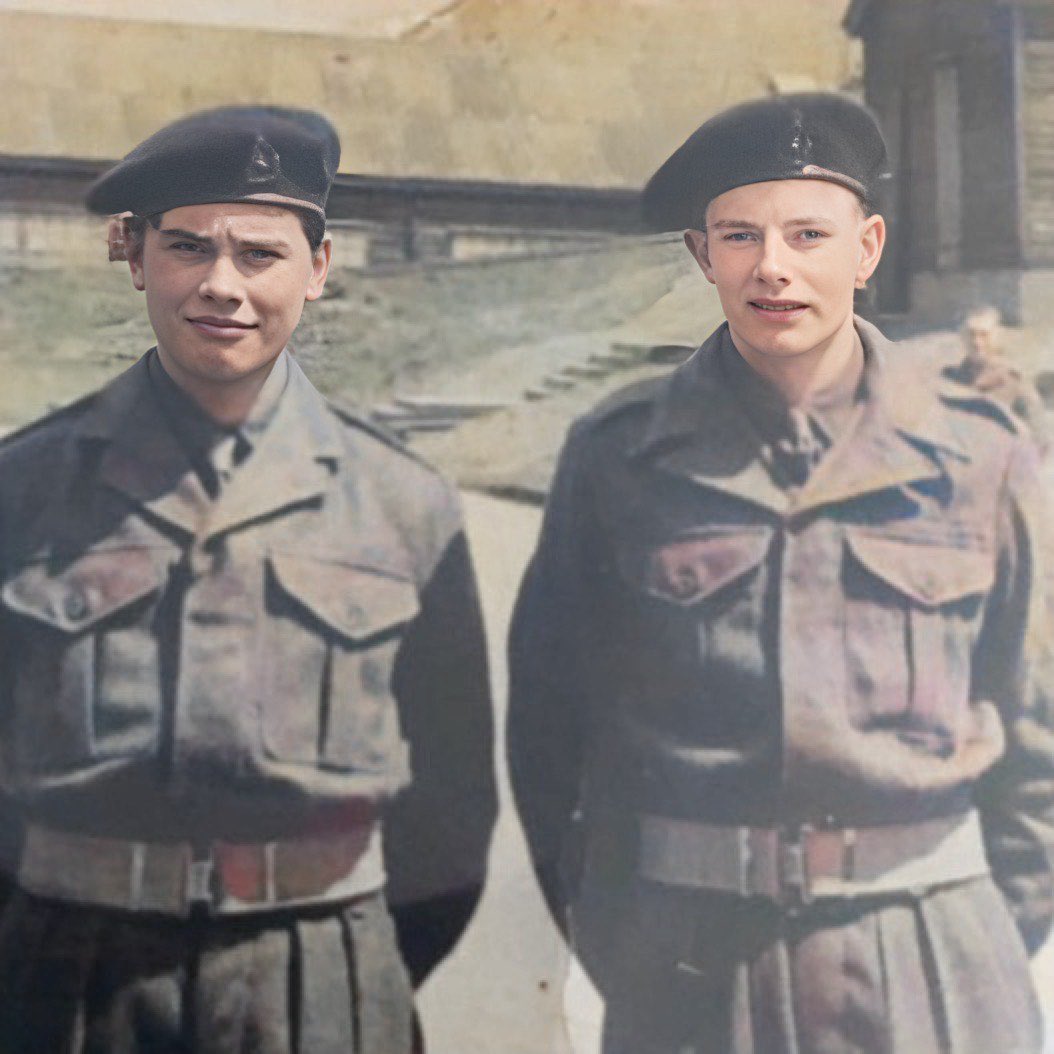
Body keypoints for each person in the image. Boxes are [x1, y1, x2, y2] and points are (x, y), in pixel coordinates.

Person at [508, 93, 1054, 1053]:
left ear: (868, 246)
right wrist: (627, 949)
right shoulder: (619, 460)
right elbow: (551, 740)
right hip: (691, 965)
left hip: (931, 956)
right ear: (700, 253)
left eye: (809, 233)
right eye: (740, 235)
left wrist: (983, 940)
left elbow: (1040, 735)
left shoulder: (979, 456)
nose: (774, 267)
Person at [0, 105, 496, 1053]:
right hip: (67, 984)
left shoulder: (403, 503)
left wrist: (353, 979)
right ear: (136, 255)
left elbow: (453, 814)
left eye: (260, 255)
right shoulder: (24, 491)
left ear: (317, 270)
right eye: (189, 247)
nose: (221, 286)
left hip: (319, 980)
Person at [942, 304, 1049, 454]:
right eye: (971, 334)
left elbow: (1040, 439)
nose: (977, 342)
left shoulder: (1015, 383)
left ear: (997, 335)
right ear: (962, 336)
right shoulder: (948, 379)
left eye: (984, 335)